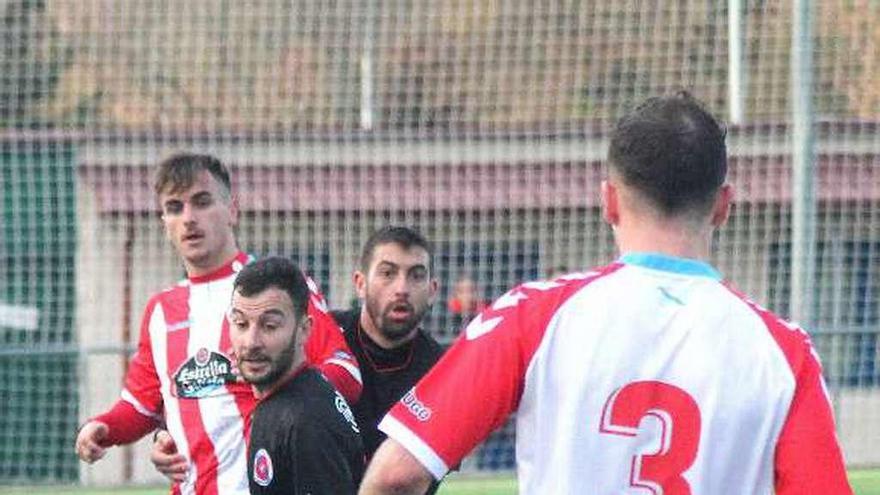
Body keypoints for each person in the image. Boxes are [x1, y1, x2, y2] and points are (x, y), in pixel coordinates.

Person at [359, 93, 853, 494]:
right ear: (723, 206)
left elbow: (397, 475)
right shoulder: (784, 352)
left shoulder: (533, 316)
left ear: (609, 202)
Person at [74, 153, 362, 495]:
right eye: (175, 207)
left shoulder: (275, 289)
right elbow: (141, 404)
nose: (189, 218)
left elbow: (346, 372)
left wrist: (282, 394)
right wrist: (104, 426)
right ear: (164, 221)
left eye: (202, 202)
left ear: (232, 210)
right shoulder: (161, 310)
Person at [229, 256, 364, 495]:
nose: (251, 342)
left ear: (304, 330)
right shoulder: (281, 404)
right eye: (241, 324)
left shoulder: (305, 421)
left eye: (269, 326)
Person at [331, 226, 445, 493]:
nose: (402, 288)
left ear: (432, 290)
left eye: (416, 276)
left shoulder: (444, 372)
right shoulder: (322, 336)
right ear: (360, 283)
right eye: (388, 273)